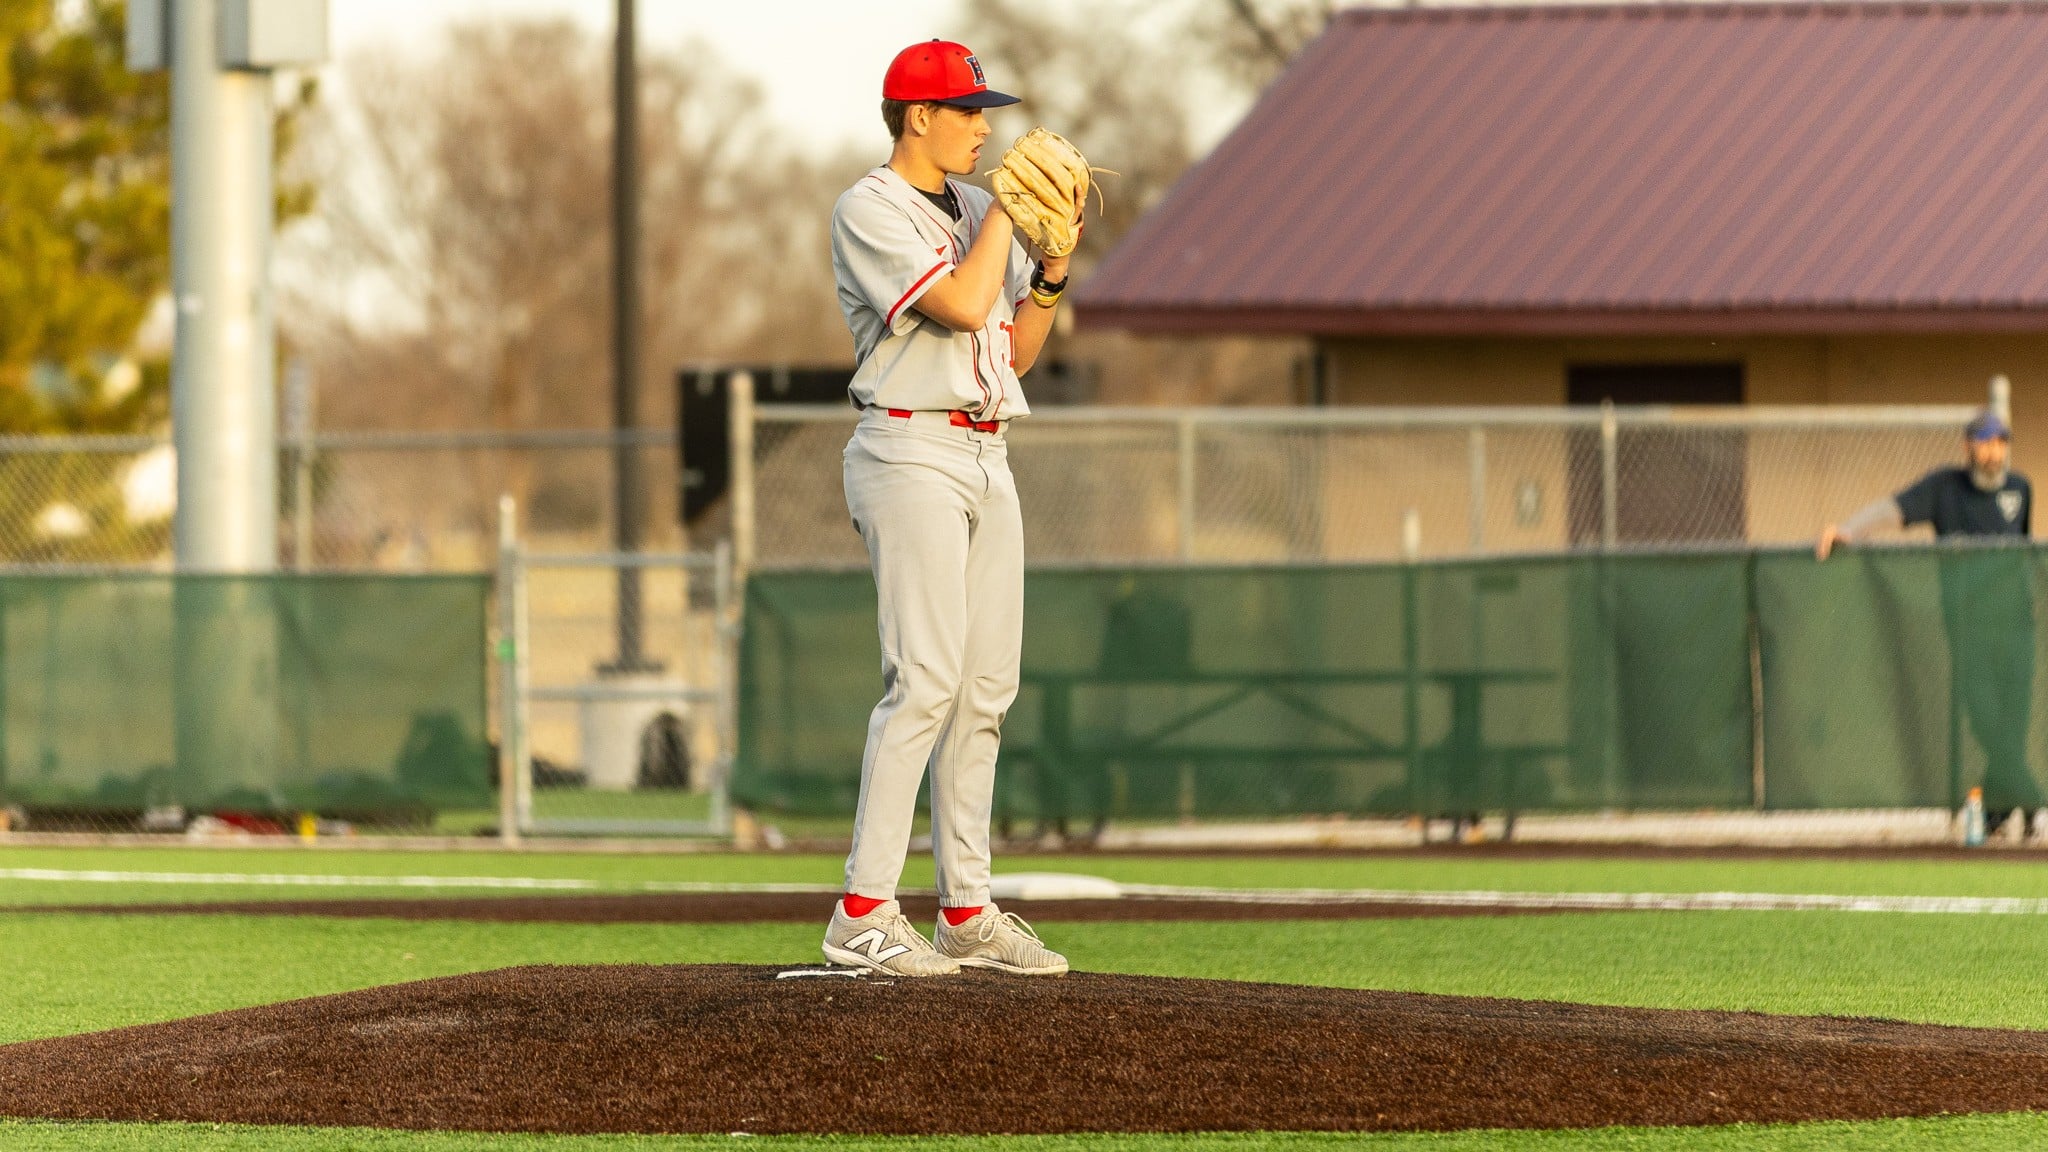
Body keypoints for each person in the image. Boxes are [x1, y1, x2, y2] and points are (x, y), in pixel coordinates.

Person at [819, 40, 1075, 977]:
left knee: (983, 691)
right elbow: (965, 305)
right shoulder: (869, 207)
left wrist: (1051, 272)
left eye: (984, 110)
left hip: (986, 448)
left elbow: (1015, 349)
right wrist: (1007, 214)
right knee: (924, 679)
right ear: (917, 116)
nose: (982, 127)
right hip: (909, 447)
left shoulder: (971, 206)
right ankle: (861, 914)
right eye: (966, 110)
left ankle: (966, 912)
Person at [1818, 409, 2042, 833]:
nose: (1993, 451)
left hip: (2017, 628)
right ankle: (2029, 798)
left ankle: (1997, 810)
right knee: (1985, 719)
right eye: (1985, 442)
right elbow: (1892, 509)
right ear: (1968, 446)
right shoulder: (1944, 488)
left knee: (2011, 726)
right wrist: (1848, 529)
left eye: (2000, 442)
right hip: (1969, 628)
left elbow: (2023, 550)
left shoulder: (2020, 488)